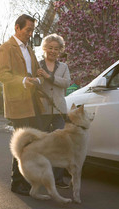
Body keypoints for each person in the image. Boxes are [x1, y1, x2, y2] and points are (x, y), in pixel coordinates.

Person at [0, 14, 44, 196]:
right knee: (22, 143)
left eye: (32, 30)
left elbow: (34, 72)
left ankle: (26, 180)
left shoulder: (30, 50)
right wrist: (24, 80)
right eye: (28, 30)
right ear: (17, 28)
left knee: (31, 142)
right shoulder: (6, 48)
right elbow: (3, 75)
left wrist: (38, 77)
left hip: (33, 102)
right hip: (18, 102)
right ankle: (17, 183)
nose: (30, 34)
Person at [37, 34, 71, 189]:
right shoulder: (37, 65)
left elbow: (66, 83)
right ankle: (40, 177)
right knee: (41, 144)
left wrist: (49, 77)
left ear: (60, 51)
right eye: (50, 47)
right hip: (42, 110)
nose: (53, 51)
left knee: (59, 145)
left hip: (59, 110)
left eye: (56, 49)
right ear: (44, 48)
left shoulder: (63, 67)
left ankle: (58, 179)